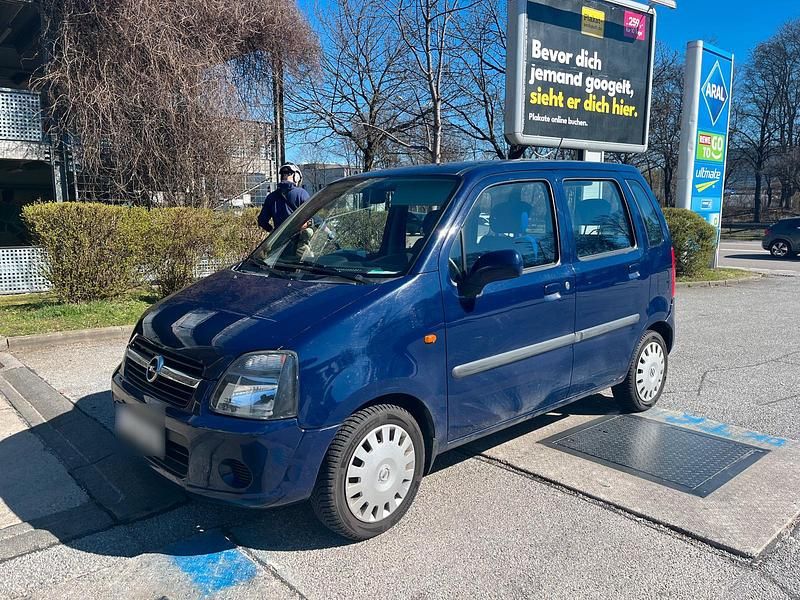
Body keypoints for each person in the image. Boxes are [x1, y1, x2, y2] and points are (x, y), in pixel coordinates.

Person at [258, 162, 311, 233]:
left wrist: (273, 232)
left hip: (280, 241)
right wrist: (329, 233)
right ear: (297, 177)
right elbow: (315, 218)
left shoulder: (271, 197)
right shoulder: (301, 193)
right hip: (298, 240)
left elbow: (262, 221)